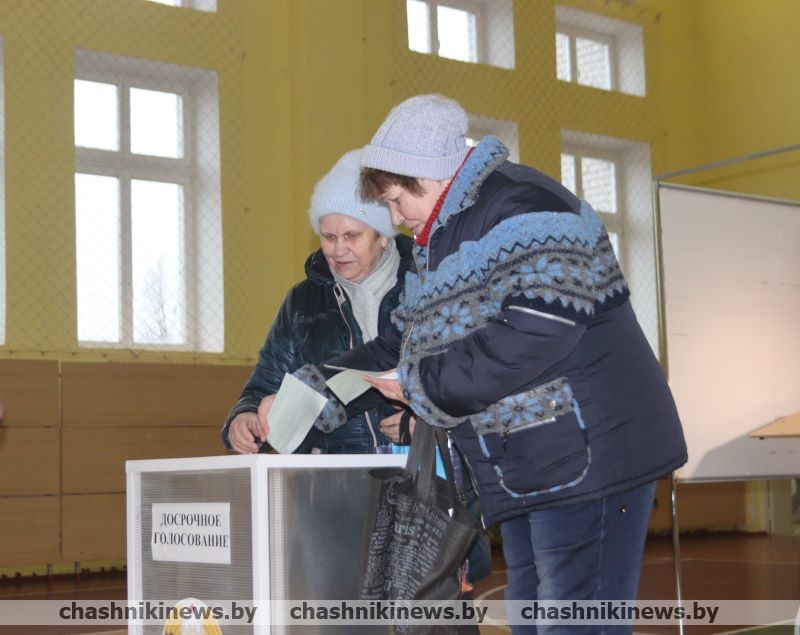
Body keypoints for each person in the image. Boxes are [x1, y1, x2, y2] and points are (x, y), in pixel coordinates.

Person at [258, 95, 687, 633]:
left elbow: (537, 330)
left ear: (430, 176)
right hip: (533, 464)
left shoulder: (529, 207)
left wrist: (420, 386)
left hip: (592, 459)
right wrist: (308, 392)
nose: (396, 218)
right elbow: (401, 344)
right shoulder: (441, 239)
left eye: (396, 201)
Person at [221, 149, 414, 455]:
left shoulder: (424, 284)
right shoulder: (303, 302)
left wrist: (428, 423)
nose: (338, 250)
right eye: (329, 237)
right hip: (328, 473)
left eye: (352, 236)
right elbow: (267, 382)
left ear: (382, 235)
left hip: (416, 469)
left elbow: (454, 378)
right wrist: (245, 416)